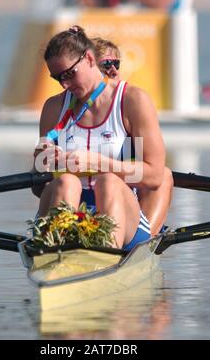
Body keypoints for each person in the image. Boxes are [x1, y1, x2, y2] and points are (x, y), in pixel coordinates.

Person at [33, 25, 173, 250]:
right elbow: (38, 185)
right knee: (66, 181)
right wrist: (45, 164)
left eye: (69, 74)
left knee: (108, 181)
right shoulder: (53, 107)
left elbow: (155, 176)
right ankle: (57, 254)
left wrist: (98, 163)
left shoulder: (132, 100)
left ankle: (104, 255)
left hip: (121, 211)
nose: (65, 84)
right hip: (68, 205)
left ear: (88, 58)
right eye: (58, 78)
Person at [91, 37, 173, 239]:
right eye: (106, 65)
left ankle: (143, 242)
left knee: (163, 175)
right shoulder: (60, 108)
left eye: (116, 64)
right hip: (81, 199)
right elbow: (39, 187)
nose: (114, 71)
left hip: (122, 198)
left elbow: (152, 173)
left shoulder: (130, 103)